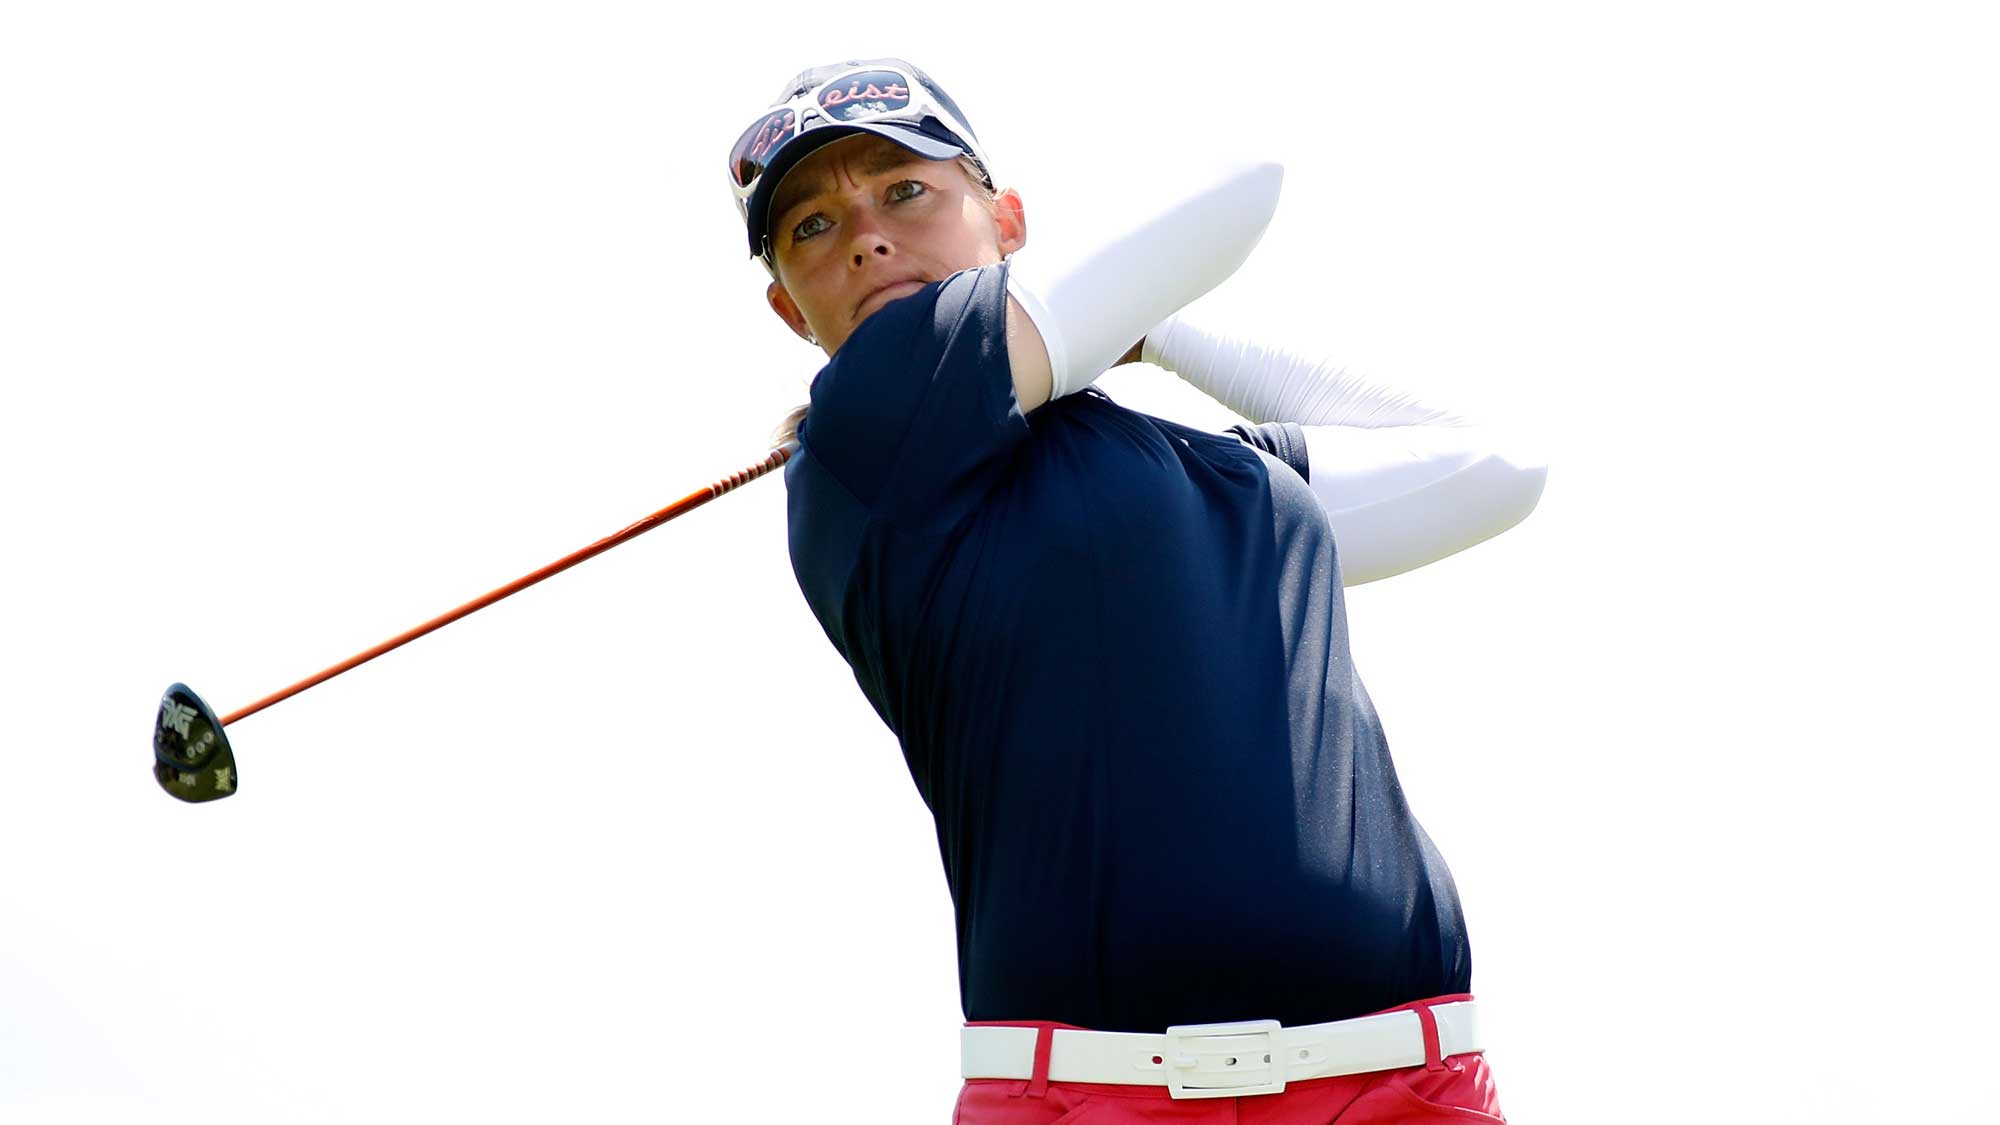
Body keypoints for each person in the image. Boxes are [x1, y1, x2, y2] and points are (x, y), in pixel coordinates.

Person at [725, 59, 1545, 1123]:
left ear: (1006, 221)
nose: (866, 237)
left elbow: (1495, 469)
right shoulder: (865, 430)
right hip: (1092, 1099)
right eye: (812, 228)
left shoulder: (1198, 477)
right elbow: (1234, 191)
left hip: (1399, 1082)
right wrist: (1114, 309)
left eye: (905, 190)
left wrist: (1156, 332)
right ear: (793, 311)